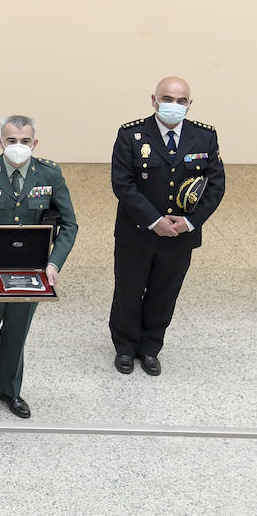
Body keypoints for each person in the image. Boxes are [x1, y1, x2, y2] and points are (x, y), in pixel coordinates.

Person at [0, 115, 77, 420]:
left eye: (25, 141)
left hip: (32, 274)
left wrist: (53, 263)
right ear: (0, 142)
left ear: (34, 143)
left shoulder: (49, 174)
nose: (18, 147)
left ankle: (10, 391)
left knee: (17, 332)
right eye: (11, 141)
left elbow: (69, 224)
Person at [109, 76, 225, 376]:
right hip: (136, 232)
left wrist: (188, 222)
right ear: (154, 100)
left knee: (165, 292)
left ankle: (150, 348)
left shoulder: (204, 137)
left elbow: (215, 186)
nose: (174, 105)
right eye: (168, 99)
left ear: (189, 104)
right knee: (129, 290)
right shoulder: (131, 135)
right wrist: (153, 220)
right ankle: (125, 347)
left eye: (181, 100)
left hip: (179, 236)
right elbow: (123, 184)